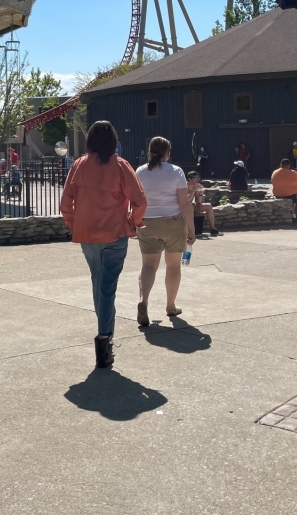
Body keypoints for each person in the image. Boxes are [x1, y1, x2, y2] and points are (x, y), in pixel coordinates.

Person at [60, 120, 147, 369]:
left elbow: (66, 203)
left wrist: (75, 223)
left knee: (98, 283)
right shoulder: (120, 166)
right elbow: (140, 200)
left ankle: (104, 336)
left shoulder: (79, 165)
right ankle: (104, 339)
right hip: (115, 234)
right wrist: (133, 222)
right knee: (107, 287)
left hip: (87, 235)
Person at [135, 136, 195, 323]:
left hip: (148, 223)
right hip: (173, 222)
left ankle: (143, 300)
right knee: (173, 265)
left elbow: (136, 199)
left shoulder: (140, 171)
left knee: (148, 265)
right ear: (167, 152)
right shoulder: (176, 171)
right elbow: (184, 203)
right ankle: (170, 305)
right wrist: (192, 229)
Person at [272, 158, 297, 224]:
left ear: (281, 165)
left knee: (294, 199)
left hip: (278, 194)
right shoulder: (293, 173)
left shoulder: (275, 172)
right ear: (289, 165)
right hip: (292, 194)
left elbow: (273, 182)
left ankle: (294, 216)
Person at [187, 171, 220, 236]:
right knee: (191, 206)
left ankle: (213, 229)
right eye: (195, 179)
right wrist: (193, 190)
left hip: (192, 206)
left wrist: (200, 194)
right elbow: (187, 201)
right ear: (190, 179)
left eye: (198, 179)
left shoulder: (196, 186)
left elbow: (198, 202)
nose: (197, 181)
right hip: (184, 206)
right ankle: (190, 231)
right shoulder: (184, 186)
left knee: (208, 206)